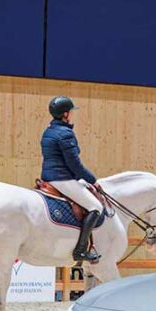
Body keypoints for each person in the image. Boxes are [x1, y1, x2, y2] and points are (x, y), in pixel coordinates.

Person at [41, 96, 103, 263]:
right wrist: (92, 180)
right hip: (62, 179)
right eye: (71, 112)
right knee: (96, 207)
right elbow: (75, 165)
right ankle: (80, 250)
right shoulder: (65, 134)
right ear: (66, 114)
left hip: (48, 177)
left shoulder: (48, 131)